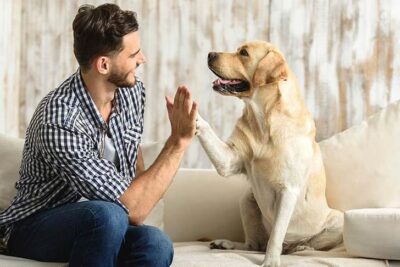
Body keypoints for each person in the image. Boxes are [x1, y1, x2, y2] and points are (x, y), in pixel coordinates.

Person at [0, 3, 197, 267]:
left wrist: (142, 190)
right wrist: (178, 142)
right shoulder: (59, 118)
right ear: (104, 64)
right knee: (107, 215)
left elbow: (135, 171)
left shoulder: (132, 92)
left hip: (104, 223)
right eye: (133, 54)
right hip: (33, 226)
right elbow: (134, 210)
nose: (143, 59)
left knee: (156, 242)